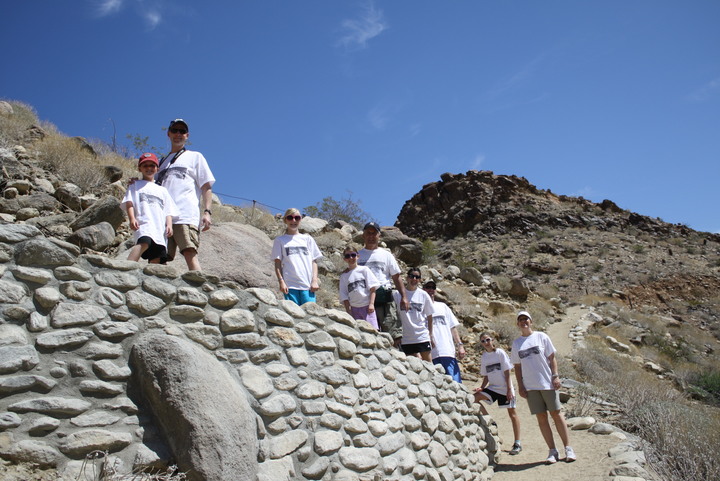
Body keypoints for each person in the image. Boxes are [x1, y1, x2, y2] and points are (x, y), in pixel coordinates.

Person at [511, 311, 576, 464]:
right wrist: (520, 385)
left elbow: (551, 357)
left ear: (531, 321)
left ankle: (568, 447)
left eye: (525, 319)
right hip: (531, 386)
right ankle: (552, 451)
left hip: (547, 382)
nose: (523, 322)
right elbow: (517, 366)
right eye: (520, 320)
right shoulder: (517, 344)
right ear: (518, 324)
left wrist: (555, 376)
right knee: (541, 418)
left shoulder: (541, 337)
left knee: (556, 414)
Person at [156, 119, 215, 271]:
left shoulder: (195, 157)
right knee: (158, 256)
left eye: (182, 131)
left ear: (187, 135)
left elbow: (206, 186)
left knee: (189, 251)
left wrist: (207, 212)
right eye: (175, 130)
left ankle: (201, 291)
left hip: (185, 214)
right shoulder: (161, 162)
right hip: (163, 216)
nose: (178, 134)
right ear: (168, 133)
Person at [357, 222, 409, 346]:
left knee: (393, 335)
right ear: (363, 235)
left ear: (379, 235)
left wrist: (404, 297)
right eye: (368, 233)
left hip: (385, 299)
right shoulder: (358, 255)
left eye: (374, 233)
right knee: (368, 335)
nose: (371, 236)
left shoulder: (386, 255)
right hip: (364, 300)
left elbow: (397, 277)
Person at [122, 153, 179, 263]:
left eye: (152, 166)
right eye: (145, 166)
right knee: (144, 242)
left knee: (157, 253)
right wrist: (132, 218)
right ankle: (126, 266)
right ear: (140, 168)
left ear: (157, 168)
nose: (149, 168)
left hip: (159, 227)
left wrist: (169, 225)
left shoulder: (163, 190)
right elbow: (129, 203)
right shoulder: (135, 185)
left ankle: (151, 278)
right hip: (144, 223)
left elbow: (168, 210)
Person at [475, 331, 522, 456]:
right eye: (483, 341)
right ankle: (490, 421)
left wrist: (509, 389)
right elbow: (486, 375)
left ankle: (517, 443)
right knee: (475, 398)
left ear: (493, 340)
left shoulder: (500, 353)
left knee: (512, 413)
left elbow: (507, 372)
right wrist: (481, 387)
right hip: (493, 388)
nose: (486, 343)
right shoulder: (484, 357)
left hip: (505, 388)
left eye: (488, 340)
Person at [271, 208, 322, 305]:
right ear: (285, 220)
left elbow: (314, 262)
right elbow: (277, 264)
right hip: (290, 286)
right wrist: (281, 282)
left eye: (297, 218)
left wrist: (314, 281)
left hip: (308, 286)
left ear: (300, 220)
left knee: (310, 316)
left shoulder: (308, 239)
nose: (293, 221)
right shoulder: (280, 240)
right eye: (290, 218)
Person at [423, 281, 465, 382]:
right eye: (428, 287)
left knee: (455, 383)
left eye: (433, 287)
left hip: (447, 351)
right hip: (431, 354)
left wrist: (460, 345)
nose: (430, 290)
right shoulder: (420, 309)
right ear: (423, 290)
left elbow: (452, 327)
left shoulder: (443, 307)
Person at [394, 268, 433, 361]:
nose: (414, 279)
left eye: (417, 277)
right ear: (407, 278)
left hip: (422, 336)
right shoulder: (397, 294)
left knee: (429, 365)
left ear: (419, 280)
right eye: (412, 276)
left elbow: (430, 316)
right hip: (406, 338)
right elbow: (393, 316)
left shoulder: (423, 295)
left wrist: (430, 334)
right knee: (411, 367)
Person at [339, 244, 380, 329]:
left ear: (357, 256)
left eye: (353, 255)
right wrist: (348, 312)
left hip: (367, 307)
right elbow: (344, 296)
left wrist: (371, 304)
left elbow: (372, 288)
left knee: (372, 330)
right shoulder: (344, 276)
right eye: (348, 256)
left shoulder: (364, 270)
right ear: (345, 259)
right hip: (354, 309)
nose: (351, 258)